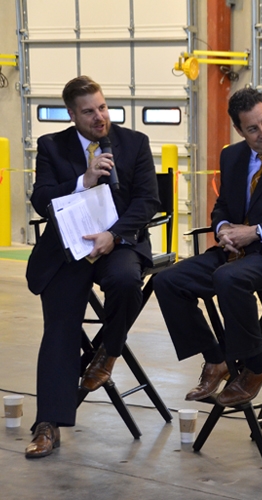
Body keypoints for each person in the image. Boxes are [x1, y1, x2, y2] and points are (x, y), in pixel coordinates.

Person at [153, 87, 262, 408]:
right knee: (167, 281)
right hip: (236, 251)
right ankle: (216, 358)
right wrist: (222, 228)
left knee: (228, 278)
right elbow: (223, 205)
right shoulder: (232, 156)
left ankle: (257, 364)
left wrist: (256, 232)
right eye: (252, 129)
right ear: (238, 130)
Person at [25, 76, 160, 458]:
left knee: (126, 281)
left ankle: (108, 352)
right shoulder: (52, 146)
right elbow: (41, 199)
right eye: (89, 112)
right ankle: (48, 425)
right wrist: (81, 181)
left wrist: (113, 235)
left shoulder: (134, 143)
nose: (100, 117)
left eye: (102, 107)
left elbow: (147, 201)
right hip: (71, 246)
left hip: (118, 242)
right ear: (72, 114)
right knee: (60, 326)